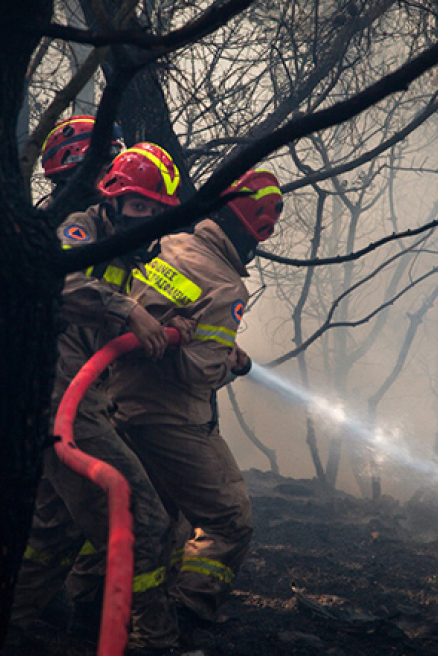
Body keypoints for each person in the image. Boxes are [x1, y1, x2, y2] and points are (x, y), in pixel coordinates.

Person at [9, 143, 186, 654]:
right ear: (112, 199)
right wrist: (125, 310)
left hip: (77, 402)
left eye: (155, 213)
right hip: (63, 405)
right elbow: (57, 280)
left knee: (52, 535)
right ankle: (154, 641)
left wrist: (171, 324)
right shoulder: (79, 229)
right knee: (142, 523)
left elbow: (148, 304)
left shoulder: (132, 258)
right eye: (138, 208)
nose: (145, 221)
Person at [108, 169, 283, 628]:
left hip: (114, 401)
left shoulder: (166, 243)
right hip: (171, 420)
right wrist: (228, 360)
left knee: (157, 519)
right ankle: (184, 614)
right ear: (248, 235)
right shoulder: (227, 288)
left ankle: (108, 613)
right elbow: (198, 371)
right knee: (229, 521)